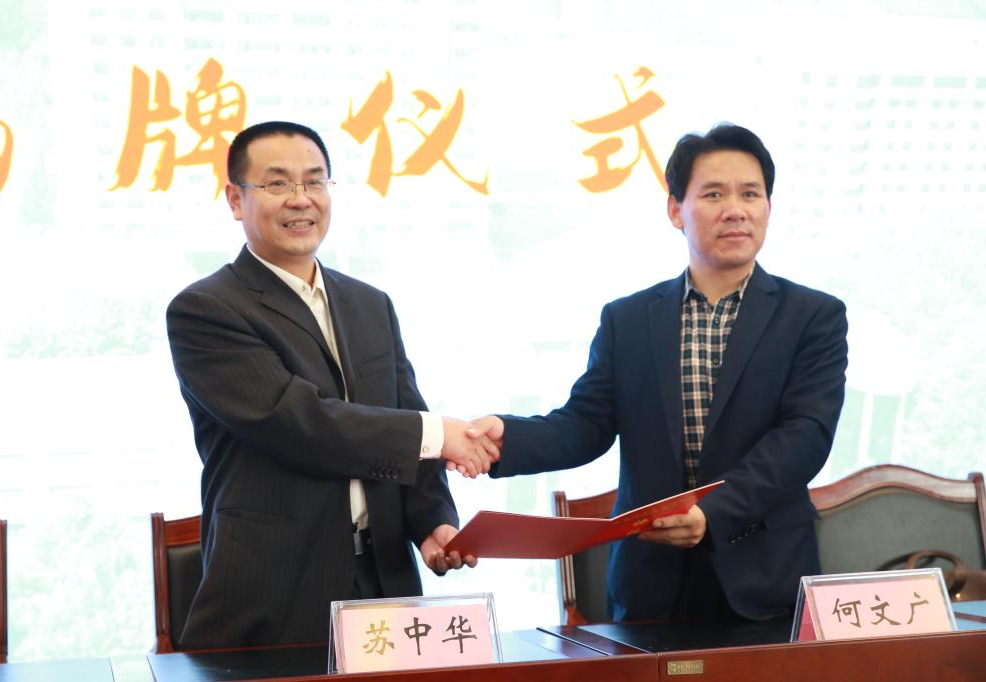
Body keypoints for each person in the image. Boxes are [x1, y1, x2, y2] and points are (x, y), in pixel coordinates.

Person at [471, 123, 848, 623]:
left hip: (766, 577)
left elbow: (805, 437)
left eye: (750, 194)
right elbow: (586, 424)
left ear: (767, 208)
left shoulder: (813, 316)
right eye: (713, 194)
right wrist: (507, 438)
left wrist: (712, 513)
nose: (735, 209)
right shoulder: (627, 320)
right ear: (676, 210)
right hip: (651, 582)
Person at [166, 121, 496, 648]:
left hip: (384, 582)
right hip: (275, 591)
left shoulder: (370, 304)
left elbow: (404, 412)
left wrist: (432, 522)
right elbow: (302, 423)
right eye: (277, 183)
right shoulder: (205, 309)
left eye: (315, 181)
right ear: (235, 199)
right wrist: (440, 434)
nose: (301, 199)